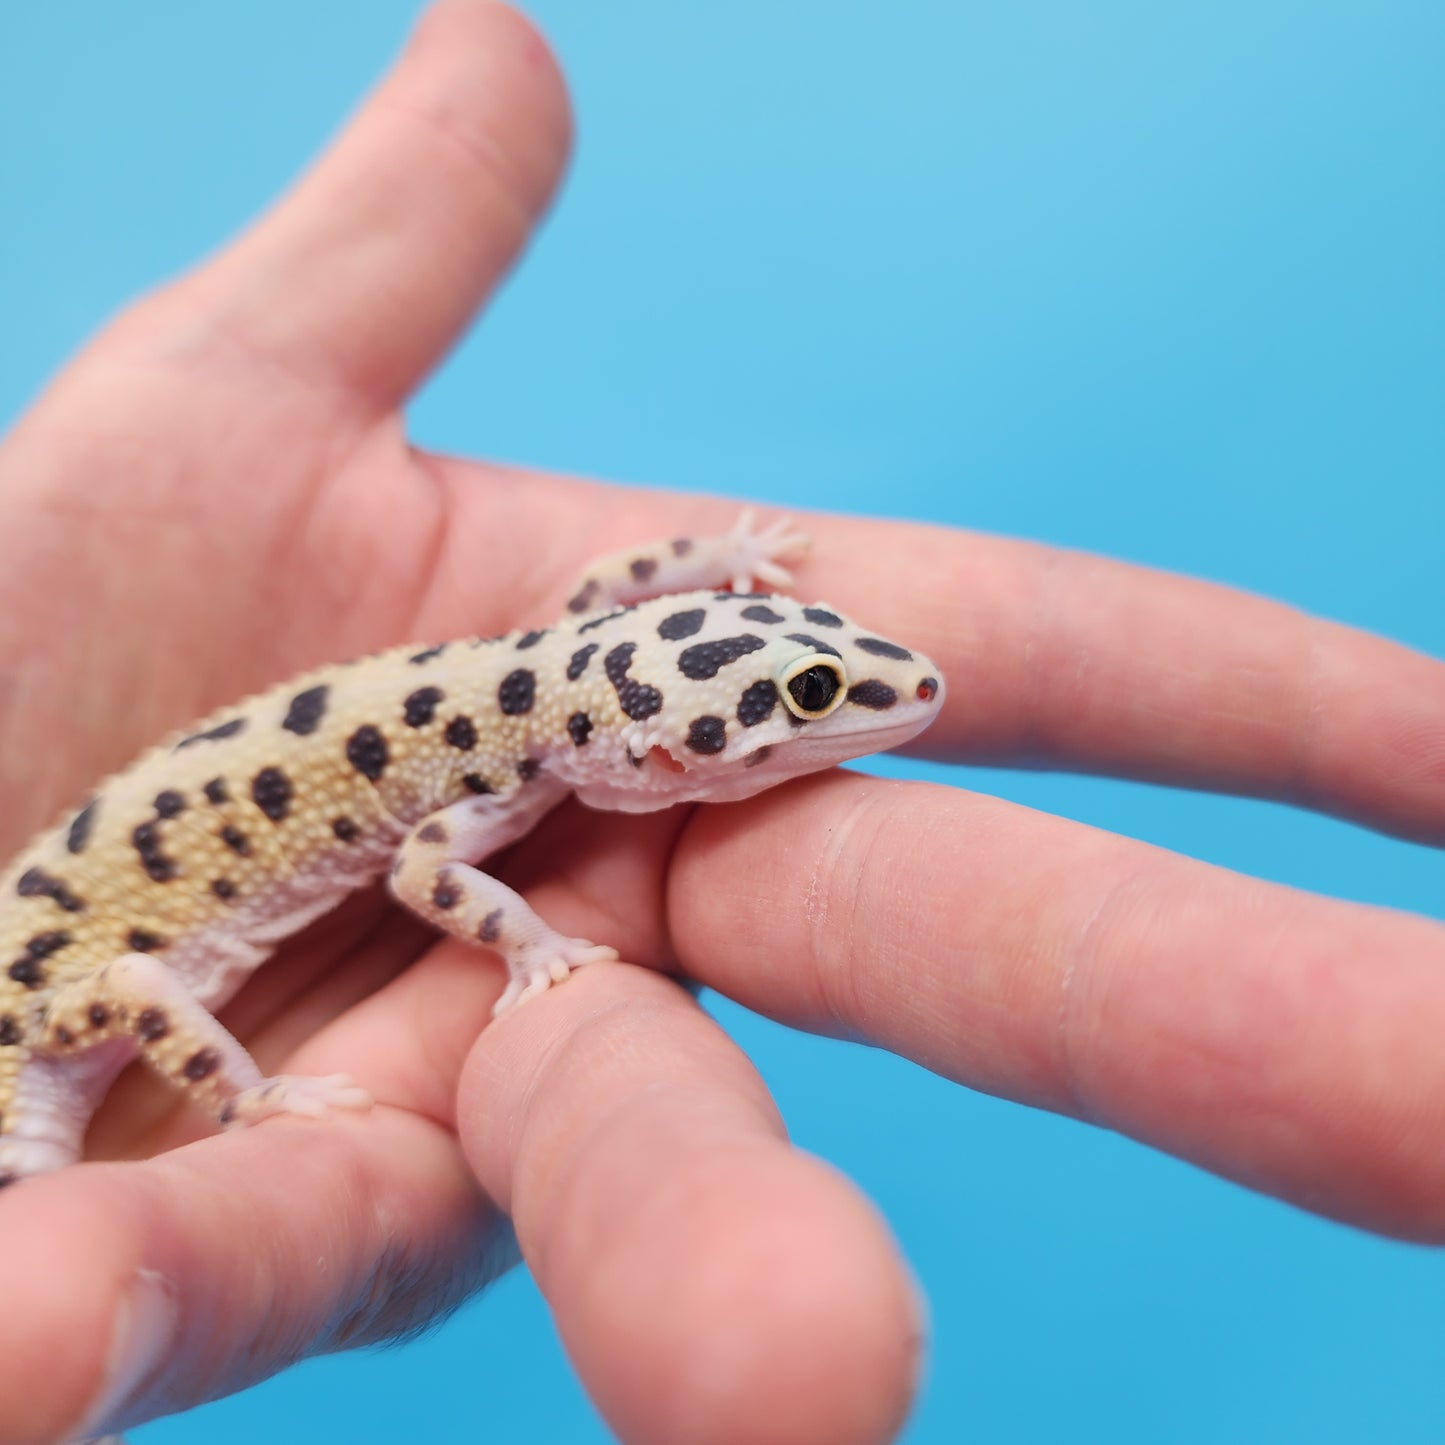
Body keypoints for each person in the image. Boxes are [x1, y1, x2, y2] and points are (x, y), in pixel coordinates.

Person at [1, 2, 1441, 1441]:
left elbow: (609, 602)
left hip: (99, 894)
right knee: (139, 1010)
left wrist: (709, 566)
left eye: (818, 672)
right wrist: (515, 955)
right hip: (58, 990)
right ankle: (242, 1109)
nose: (889, 696)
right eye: (811, 698)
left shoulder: (558, 675)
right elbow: (424, 874)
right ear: (665, 757)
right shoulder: (518, 750)